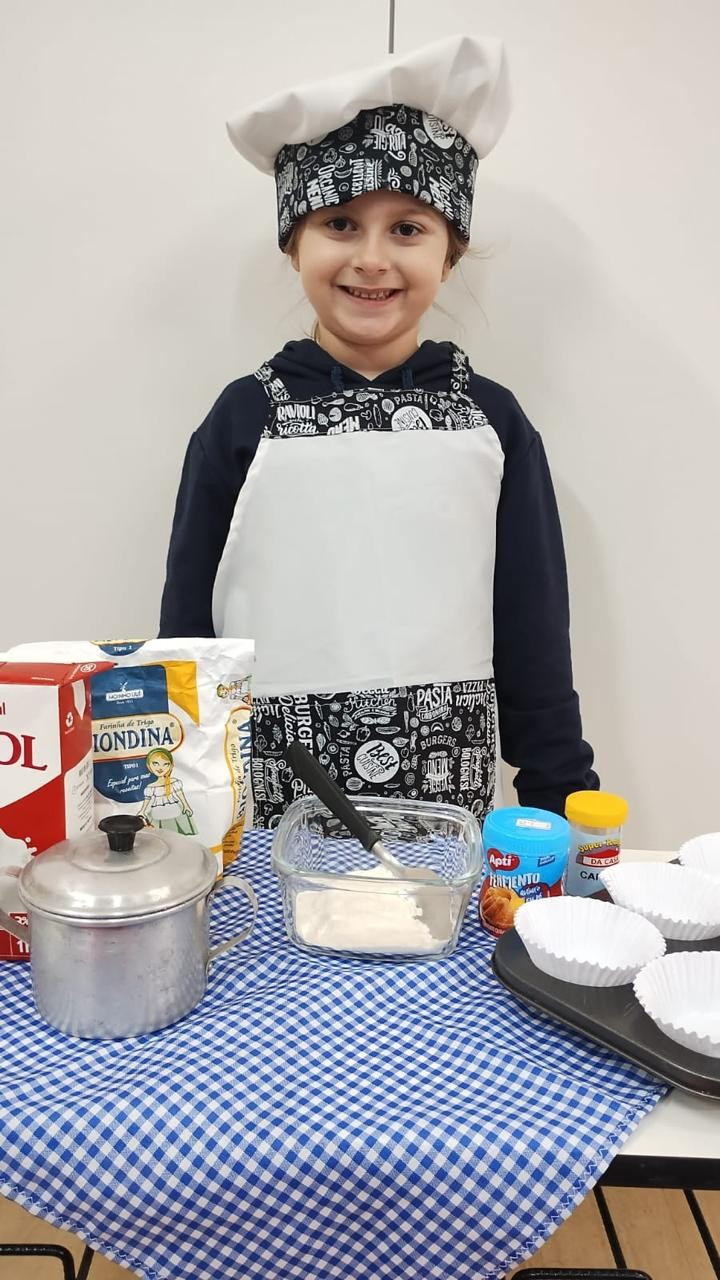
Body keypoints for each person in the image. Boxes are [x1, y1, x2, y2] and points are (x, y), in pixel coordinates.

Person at [159, 33, 599, 827]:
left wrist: (562, 806)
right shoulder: (242, 419)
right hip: (270, 817)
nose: (371, 258)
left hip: (449, 819)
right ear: (293, 243)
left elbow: (533, 632)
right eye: (339, 223)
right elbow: (188, 637)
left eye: (407, 228)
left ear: (450, 253)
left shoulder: (494, 423)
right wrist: (185, 809)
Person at [139, 748, 197, 835]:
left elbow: (179, 793)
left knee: (179, 834)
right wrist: (142, 811)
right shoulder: (150, 787)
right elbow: (147, 800)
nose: (160, 768)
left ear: (171, 765)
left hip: (175, 810)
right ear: (149, 766)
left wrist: (186, 805)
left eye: (165, 764)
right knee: (160, 835)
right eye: (155, 763)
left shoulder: (174, 782)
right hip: (157, 813)